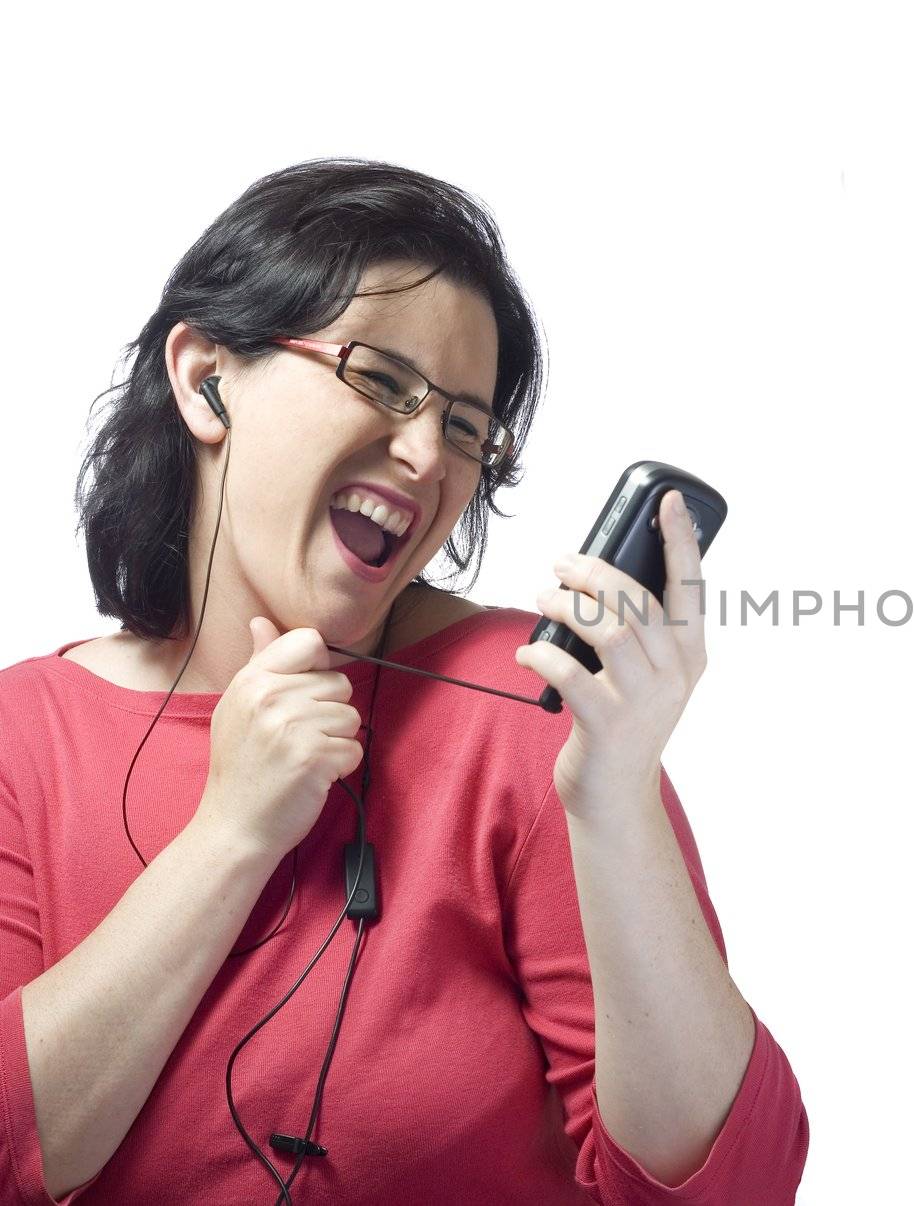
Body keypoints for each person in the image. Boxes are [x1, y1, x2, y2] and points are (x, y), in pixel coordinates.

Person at [0, 157, 808, 1204]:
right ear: (206, 379)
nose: (429, 456)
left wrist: (611, 802)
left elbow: (726, 1186)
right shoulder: (25, 734)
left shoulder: (533, 710)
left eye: (467, 427)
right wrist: (233, 833)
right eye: (381, 379)